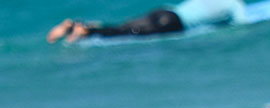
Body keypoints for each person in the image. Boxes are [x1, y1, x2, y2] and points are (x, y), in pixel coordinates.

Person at [47, 0, 247, 43]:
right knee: (129, 33)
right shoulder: (234, 4)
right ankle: (87, 32)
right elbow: (241, 24)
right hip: (173, 23)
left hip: (165, 11)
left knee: (124, 26)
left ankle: (78, 26)